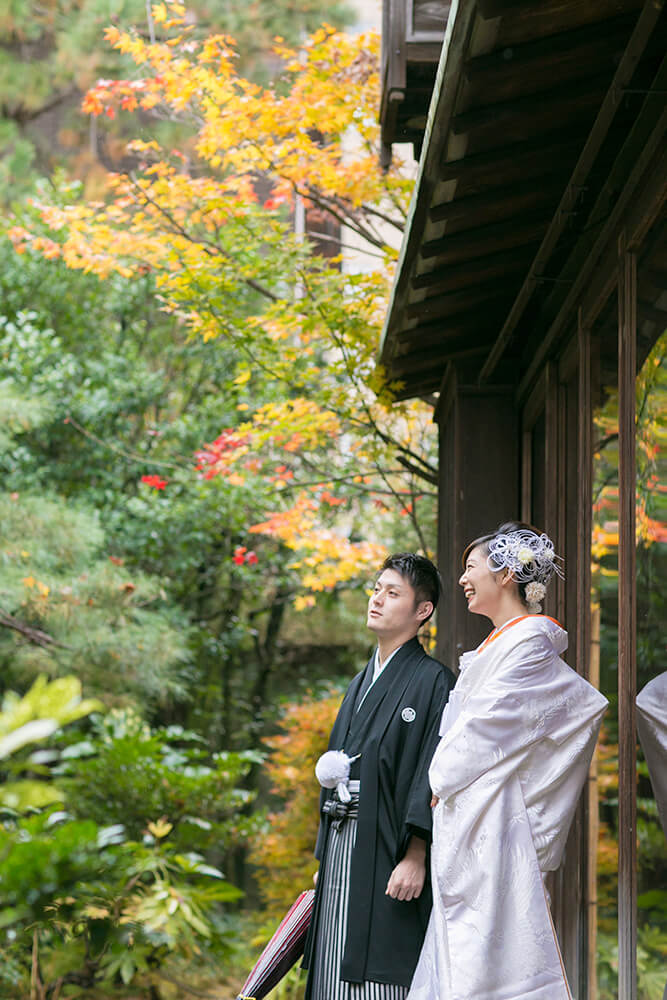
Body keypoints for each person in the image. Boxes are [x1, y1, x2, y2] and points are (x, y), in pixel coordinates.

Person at [408, 522, 608, 1000]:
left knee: (486, 963)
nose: (463, 579)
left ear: (506, 575)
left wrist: (441, 776)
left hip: (497, 822)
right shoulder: (497, 646)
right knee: (460, 954)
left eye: (471, 567)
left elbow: (485, 730)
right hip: (471, 818)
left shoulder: (530, 645)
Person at [302, 553, 456, 1000]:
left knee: (380, 972)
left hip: (389, 844)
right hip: (343, 842)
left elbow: (434, 773)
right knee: (333, 960)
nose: (378, 600)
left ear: (422, 610)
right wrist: (324, 858)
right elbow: (334, 770)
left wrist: (416, 854)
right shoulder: (359, 682)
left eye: (393, 593)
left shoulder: (434, 682)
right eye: (376, 589)